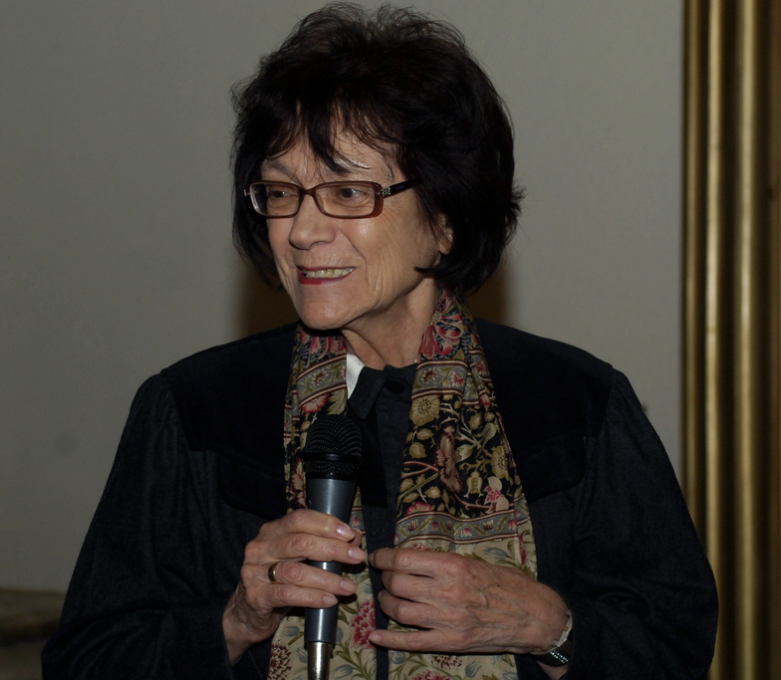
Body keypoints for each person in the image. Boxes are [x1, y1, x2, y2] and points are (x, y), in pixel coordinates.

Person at [41, 4, 717, 679]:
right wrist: (234, 622)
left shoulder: (573, 407)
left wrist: (550, 628)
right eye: (281, 192)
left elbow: (674, 648)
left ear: (446, 217)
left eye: (347, 191)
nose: (301, 231)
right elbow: (86, 664)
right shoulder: (198, 411)